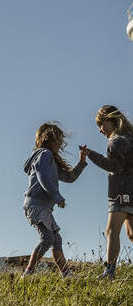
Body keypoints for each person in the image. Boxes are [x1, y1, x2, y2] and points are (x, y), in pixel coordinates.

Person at [22, 123, 87, 278]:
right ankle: (28, 273)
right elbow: (42, 177)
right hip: (36, 205)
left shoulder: (49, 159)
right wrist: (57, 196)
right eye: (59, 139)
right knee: (47, 238)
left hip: (43, 206)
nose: (61, 144)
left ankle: (66, 273)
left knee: (56, 240)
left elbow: (70, 178)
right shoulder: (44, 155)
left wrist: (82, 161)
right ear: (48, 139)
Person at [80, 105, 133, 279]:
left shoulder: (116, 141)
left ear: (111, 120)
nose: (101, 130)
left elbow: (115, 167)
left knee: (111, 231)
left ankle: (109, 272)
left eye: (101, 124)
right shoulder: (130, 138)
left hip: (121, 192)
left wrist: (91, 155)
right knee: (131, 234)